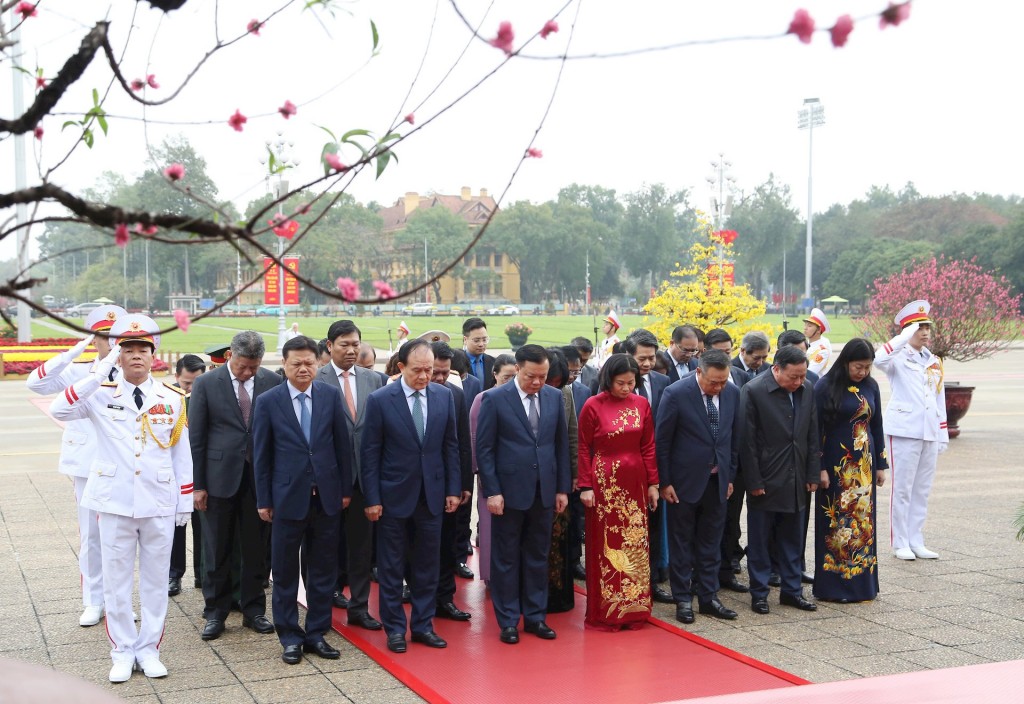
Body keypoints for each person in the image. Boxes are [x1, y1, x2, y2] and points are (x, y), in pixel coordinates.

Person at [50, 314, 192, 683]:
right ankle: (122, 651)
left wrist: (184, 501)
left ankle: (149, 650)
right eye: (127, 349)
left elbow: (181, 454)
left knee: (156, 581)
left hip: (158, 500)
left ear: (153, 354)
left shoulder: (171, 399)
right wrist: (99, 373)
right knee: (116, 581)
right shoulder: (98, 394)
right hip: (114, 502)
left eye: (142, 349)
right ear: (117, 354)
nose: (136, 356)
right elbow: (59, 409)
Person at [253, 335, 353, 665]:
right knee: (284, 571)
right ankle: (290, 637)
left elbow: (342, 446)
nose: (303, 369)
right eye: (296, 363)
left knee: (323, 570)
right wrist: (264, 499)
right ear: (284, 365)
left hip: (326, 498)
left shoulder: (329, 395)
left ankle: (316, 633)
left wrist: (344, 491)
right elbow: (262, 455)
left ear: (318, 363)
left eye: (309, 362)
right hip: (285, 500)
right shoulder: (268, 401)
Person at [26, 303, 126, 627]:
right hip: (86, 464)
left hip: (122, 465)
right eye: (103, 337)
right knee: (91, 536)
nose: (110, 343)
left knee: (120, 538)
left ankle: (118, 602)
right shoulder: (79, 371)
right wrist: (72, 353)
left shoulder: (132, 375)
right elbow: (36, 384)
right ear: (92, 338)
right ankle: (93, 600)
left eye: (116, 336)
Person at [361, 339, 461, 654]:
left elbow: (451, 447)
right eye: (417, 370)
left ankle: (422, 626)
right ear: (401, 367)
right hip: (393, 497)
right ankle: (394, 629)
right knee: (391, 567)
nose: (424, 376)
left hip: (431, 496)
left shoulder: (444, 397)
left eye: (429, 370)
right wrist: (372, 498)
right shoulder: (380, 400)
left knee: (427, 565)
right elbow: (370, 453)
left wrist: (452, 490)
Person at [189, 331, 282, 642]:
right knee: (217, 547)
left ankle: (254, 609)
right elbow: (197, 438)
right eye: (243, 366)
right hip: (218, 478)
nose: (247, 373)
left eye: (253, 368)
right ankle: (215, 612)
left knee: (256, 547)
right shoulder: (206, 384)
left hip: (258, 478)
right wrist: (198, 485)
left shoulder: (271, 380)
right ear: (230, 355)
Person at [477, 344, 571, 644]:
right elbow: (485, 449)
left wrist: (561, 488)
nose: (537, 383)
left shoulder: (555, 397)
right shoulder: (494, 399)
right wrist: (492, 491)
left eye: (543, 376)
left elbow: (560, 446)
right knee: (505, 557)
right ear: (518, 369)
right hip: (508, 491)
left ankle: (535, 617)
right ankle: (507, 620)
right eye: (532, 376)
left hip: (543, 490)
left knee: (538, 556)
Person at [656, 350, 741, 624]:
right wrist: (665, 482)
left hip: (717, 481)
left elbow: (733, 440)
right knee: (682, 543)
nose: (718, 387)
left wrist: (730, 477)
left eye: (723, 381)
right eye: (713, 382)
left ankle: (708, 597)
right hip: (683, 483)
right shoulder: (676, 393)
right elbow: (663, 442)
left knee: (711, 542)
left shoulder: (732, 393)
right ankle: (683, 599)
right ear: (699, 372)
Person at [577, 352, 659, 631]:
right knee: (606, 544)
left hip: (635, 481)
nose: (626, 388)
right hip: (604, 482)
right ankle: (607, 610)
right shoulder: (592, 405)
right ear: (608, 381)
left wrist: (652, 484)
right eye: (621, 383)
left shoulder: (642, 404)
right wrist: (586, 485)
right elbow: (583, 447)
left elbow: (648, 446)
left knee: (635, 544)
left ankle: (634, 608)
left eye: (631, 383)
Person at [740, 345, 820, 615]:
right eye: (793, 377)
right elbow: (746, 442)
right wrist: (753, 480)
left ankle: (791, 590)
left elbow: (812, 433)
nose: (798, 382)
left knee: (793, 538)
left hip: (797, 476)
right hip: (766, 478)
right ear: (776, 369)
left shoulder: (806, 389)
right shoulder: (753, 391)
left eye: (802, 376)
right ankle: (759, 593)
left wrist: (812, 473)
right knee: (761, 540)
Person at [315, 320, 384, 630]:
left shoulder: (375, 380)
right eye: (344, 344)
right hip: (327, 479)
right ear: (330, 346)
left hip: (364, 480)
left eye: (355, 343)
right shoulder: (315, 379)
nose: (351, 349)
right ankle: (321, 607)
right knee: (324, 546)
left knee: (361, 548)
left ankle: (359, 607)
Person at [813, 338, 887, 602]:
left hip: (864, 468)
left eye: (867, 367)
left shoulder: (871, 386)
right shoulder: (825, 387)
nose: (863, 372)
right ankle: (834, 585)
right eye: (858, 366)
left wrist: (881, 464)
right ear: (845, 362)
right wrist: (819, 468)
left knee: (862, 523)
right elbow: (816, 430)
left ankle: (862, 584)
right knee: (837, 524)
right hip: (836, 467)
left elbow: (876, 425)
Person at [874, 300, 947, 561]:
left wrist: (943, 431)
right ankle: (900, 541)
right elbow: (878, 358)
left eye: (927, 326)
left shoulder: (934, 361)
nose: (925, 332)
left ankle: (916, 538)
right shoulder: (897, 358)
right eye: (918, 328)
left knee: (922, 489)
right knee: (902, 489)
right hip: (904, 431)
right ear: (907, 331)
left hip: (928, 430)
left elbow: (939, 398)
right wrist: (902, 338)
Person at [622, 331, 673, 604]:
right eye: (642, 358)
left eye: (652, 358)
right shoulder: (611, 383)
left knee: (653, 527)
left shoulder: (664, 382)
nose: (647, 363)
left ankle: (652, 583)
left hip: (654, 468)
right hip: (623, 469)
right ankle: (627, 581)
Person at [428, 341, 475, 620]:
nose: (440, 379)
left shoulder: (454, 395)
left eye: (445, 373)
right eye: (435, 372)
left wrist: (464, 484)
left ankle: (444, 598)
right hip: (415, 486)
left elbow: (462, 444)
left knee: (447, 545)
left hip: (447, 485)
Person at [469, 354, 517, 584]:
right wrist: (481, 471)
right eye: (506, 377)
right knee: (489, 525)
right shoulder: (483, 398)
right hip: (491, 473)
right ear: (495, 375)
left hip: (517, 474)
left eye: (514, 377)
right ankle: (491, 575)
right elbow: (476, 438)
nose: (510, 382)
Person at [169, 354, 207, 596]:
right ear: (176, 378)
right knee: (176, 526)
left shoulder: (210, 393)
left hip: (203, 470)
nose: (191, 389)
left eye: (197, 383)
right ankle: (174, 575)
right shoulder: (166, 397)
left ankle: (203, 576)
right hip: (177, 474)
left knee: (205, 528)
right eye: (186, 383)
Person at [543, 348, 577, 613]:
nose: (553, 388)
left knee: (559, 537)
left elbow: (572, 434)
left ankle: (557, 596)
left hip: (559, 477)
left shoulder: (564, 394)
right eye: (550, 382)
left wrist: (574, 475)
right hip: (529, 478)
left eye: (558, 383)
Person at [463, 317, 495, 390]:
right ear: (465, 339)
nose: (481, 344)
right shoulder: (456, 363)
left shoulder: (494, 362)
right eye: (476, 340)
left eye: (484, 340)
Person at [803, 307, 832, 376]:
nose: (805, 328)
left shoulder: (822, 351)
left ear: (818, 330)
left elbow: (809, 372)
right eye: (805, 325)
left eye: (809, 326)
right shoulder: (804, 344)